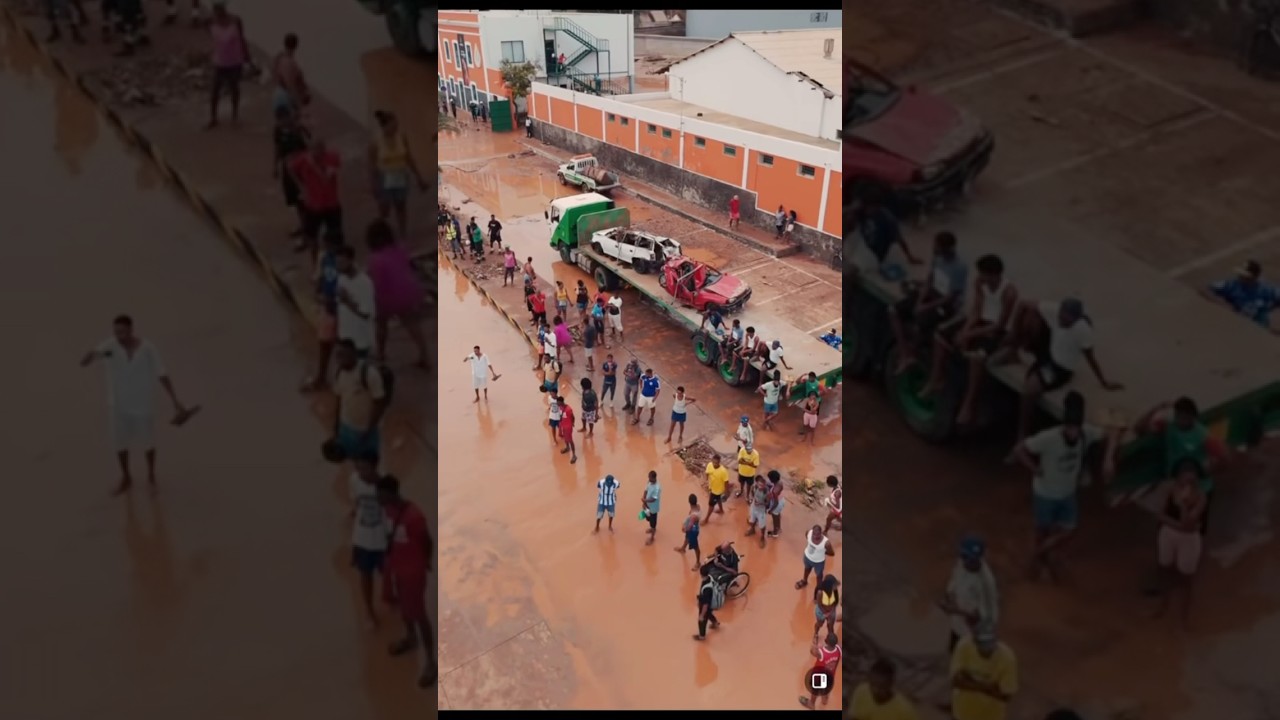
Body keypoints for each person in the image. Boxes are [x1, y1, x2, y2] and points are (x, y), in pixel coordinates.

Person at [80, 315, 193, 495]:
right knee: (120, 443)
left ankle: (151, 476)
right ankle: (126, 477)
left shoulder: (148, 349)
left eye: (122, 332)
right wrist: (90, 356)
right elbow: (93, 357)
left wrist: (174, 399)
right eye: (116, 332)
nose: (119, 336)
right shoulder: (111, 347)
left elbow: (161, 373)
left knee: (148, 442)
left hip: (142, 404)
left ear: (131, 330)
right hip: (117, 405)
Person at [996, 297, 1122, 452]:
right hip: (1049, 352)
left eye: (1067, 321)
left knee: (1029, 390)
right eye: (1061, 317)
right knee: (1032, 318)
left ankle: (1023, 434)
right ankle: (1014, 350)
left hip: (1060, 367)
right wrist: (1015, 333)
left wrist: (1103, 381)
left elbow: (1091, 358)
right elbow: (1023, 303)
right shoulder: (1054, 310)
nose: (1062, 322)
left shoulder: (1083, 331)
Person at [1016, 391, 1117, 581]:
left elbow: (1112, 432)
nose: (1074, 433)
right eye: (1070, 429)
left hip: (1068, 494)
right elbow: (1020, 449)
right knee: (1042, 531)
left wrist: (1108, 459)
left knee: (1069, 530)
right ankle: (1042, 563)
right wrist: (1034, 468)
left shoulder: (1086, 433)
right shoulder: (1048, 438)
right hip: (1045, 493)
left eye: (1076, 429)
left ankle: (1036, 555)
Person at [920, 253, 1019, 425]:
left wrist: (970, 335)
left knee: (977, 357)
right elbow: (976, 311)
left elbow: (999, 326)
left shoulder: (1009, 293)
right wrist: (966, 330)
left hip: (995, 329)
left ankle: (969, 403)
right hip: (981, 322)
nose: (981, 277)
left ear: (994, 274)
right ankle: (936, 378)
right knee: (940, 335)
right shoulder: (980, 283)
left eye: (984, 274)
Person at [1132, 396, 1229, 526]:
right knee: (1168, 528)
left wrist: (1205, 473)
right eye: (1178, 416)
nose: (1180, 420)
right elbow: (1139, 428)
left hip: (1198, 492)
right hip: (1175, 489)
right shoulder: (1169, 426)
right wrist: (1157, 408)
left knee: (1193, 530)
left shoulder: (1203, 436)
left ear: (1193, 417)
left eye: (1184, 417)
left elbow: (1225, 458)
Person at [377, 475, 436, 688]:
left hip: (413, 573)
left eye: (381, 495)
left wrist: (425, 563)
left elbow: (427, 541)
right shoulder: (388, 510)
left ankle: (430, 661)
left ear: (392, 493)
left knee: (419, 614)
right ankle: (411, 637)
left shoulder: (414, 517)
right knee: (403, 607)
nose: (378, 499)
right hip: (396, 569)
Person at [889, 231, 968, 374]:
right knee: (893, 310)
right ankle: (904, 352)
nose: (934, 248)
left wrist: (926, 307)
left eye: (937, 246)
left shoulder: (959, 268)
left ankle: (913, 353)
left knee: (922, 322)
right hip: (934, 294)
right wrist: (920, 301)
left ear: (947, 248)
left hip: (946, 303)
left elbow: (950, 297)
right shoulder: (937, 259)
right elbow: (929, 281)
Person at [365, 220, 428, 366]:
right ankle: (424, 354)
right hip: (407, 292)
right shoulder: (400, 249)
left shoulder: (374, 259)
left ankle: (380, 353)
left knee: (381, 325)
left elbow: (377, 282)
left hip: (386, 296)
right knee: (412, 324)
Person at [1153, 458, 1208, 625]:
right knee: (1164, 570)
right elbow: (1159, 515)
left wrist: (1183, 505)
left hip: (1189, 539)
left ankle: (1184, 618)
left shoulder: (1200, 496)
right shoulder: (1169, 489)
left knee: (1187, 580)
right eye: (1185, 475)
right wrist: (1178, 525)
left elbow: (1189, 523)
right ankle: (1163, 607)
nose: (1188, 480)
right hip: (1169, 534)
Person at [369, 111, 427, 239]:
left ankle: (402, 234)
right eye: (393, 125)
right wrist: (374, 184)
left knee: (401, 206)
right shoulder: (375, 142)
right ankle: (381, 234)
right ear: (385, 126)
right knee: (384, 210)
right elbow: (372, 166)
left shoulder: (402, 137)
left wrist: (419, 177)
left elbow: (408, 158)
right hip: (384, 178)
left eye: (396, 124)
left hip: (400, 176)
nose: (395, 127)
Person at [939, 536, 999, 652]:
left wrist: (955, 610)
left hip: (973, 636)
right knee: (953, 656)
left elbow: (984, 617)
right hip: (957, 627)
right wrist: (949, 599)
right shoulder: (961, 563)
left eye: (974, 559)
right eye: (966, 557)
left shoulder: (986, 583)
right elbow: (954, 584)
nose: (970, 562)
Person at [331, 340, 388, 460]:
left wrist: (369, 429)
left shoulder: (369, 373)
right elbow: (339, 399)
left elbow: (379, 402)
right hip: (345, 428)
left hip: (366, 431)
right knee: (349, 461)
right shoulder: (339, 373)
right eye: (337, 355)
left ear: (353, 354)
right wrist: (336, 426)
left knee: (367, 465)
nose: (339, 359)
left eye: (343, 354)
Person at [300, 232, 343, 391]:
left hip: (342, 308)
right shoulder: (324, 258)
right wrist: (318, 294)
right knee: (324, 343)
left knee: (343, 345)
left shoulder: (344, 263)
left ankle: (342, 380)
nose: (327, 247)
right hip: (328, 307)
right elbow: (319, 279)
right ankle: (322, 377)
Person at [289, 137, 343, 262]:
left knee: (336, 236)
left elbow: (326, 177)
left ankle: (335, 261)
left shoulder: (332, 158)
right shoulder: (303, 160)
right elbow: (291, 168)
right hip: (313, 206)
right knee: (312, 238)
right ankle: (315, 264)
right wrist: (301, 186)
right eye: (314, 149)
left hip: (331, 204)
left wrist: (314, 165)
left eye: (320, 149)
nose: (317, 153)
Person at [349, 455, 387, 628]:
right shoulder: (354, 480)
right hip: (363, 540)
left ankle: (390, 594)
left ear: (375, 466)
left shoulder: (385, 483)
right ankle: (369, 610)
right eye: (359, 468)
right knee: (365, 576)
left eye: (366, 469)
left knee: (388, 572)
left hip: (383, 539)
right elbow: (355, 504)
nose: (362, 473)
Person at [950, 628, 1018, 720]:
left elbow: (1006, 696)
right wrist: (988, 687)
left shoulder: (1008, 658)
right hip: (961, 714)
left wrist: (969, 681)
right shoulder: (964, 645)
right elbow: (956, 681)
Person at [205, 0, 249, 127]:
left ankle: (234, 116)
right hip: (219, 62)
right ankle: (213, 118)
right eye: (215, 9)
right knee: (215, 90)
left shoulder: (236, 20)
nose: (217, 11)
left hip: (235, 61)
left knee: (234, 89)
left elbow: (242, 39)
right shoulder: (209, 22)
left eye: (219, 8)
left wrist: (247, 57)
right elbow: (209, 34)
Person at [1203, 259, 1279, 329]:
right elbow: (1206, 290)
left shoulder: (1266, 290)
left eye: (1245, 276)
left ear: (1254, 277)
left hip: (1258, 328)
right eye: (1241, 275)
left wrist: (1268, 310)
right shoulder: (1232, 285)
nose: (1241, 277)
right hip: (1234, 325)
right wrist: (1223, 306)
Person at [271, 106, 310, 238]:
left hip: (299, 169)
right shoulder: (278, 131)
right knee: (294, 200)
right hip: (287, 169)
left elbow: (306, 148)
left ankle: (308, 229)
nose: (282, 122)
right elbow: (277, 148)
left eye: (284, 119)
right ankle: (302, 225)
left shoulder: (296, 130)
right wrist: (275, 166)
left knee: (303, 199)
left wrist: (301, 128)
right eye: (279, 120)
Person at [335, 246, 376, 358]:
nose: (338, 266)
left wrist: (347, 300)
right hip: (345, 338)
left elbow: (365, 314)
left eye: (341, 262)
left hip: (361, 340)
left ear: (351, 261)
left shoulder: (365, 283)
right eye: (337, 262)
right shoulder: (341, 279)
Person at [848, 658, 919, 719]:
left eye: (882, 686)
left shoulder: (905, 711)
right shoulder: (861, 691)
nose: (876, 690)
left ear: (891, 684)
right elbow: (855, 717)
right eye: (873, 684)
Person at [800, 632, 843, 710]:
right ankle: (824, 700)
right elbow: (839, 644)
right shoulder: (839, 650)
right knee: (827, 687)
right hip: (830, 675)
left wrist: (815, 645)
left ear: (826, 641)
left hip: (819, 676)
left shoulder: (821, 652)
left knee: (815, 689)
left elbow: (811, 651)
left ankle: (812, 704)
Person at [270, 33, 310, 116]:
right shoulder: (291, 63)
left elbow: (274, 76)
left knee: (282, 124)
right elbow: (290, 86)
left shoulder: (278, 58)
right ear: (296, 46)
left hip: (277, 96)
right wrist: (298, 104)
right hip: (287, 100)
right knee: (293, 123)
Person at [796, 524, 834, 590]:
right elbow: (807, 537)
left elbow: (832, 553)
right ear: (812, 532)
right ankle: (804, 581)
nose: (815, 536)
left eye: (818, 534)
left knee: (819, 576)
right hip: (807, 557)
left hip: (818, 562)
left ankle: (819, 589)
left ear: (821, 533)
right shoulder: (808, 533)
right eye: (814, 534)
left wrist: (822, 551)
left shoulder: (826, 543)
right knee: (807, 569)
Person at [693, 561, 721, 641]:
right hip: (711, 602)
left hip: (706, 604)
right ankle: (715, 623)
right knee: (709, 613)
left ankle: (702, 636)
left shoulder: (706, 589)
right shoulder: (710, 578)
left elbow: (705, 605)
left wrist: (701, 615)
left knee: (702, 620)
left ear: (701, 574)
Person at [674, 494, 702, 570]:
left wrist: (684, 529)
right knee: (686, 538)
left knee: (696, 547)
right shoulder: (698, 506)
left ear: (689, 502)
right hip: (694, 528)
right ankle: (683, 548)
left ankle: (698, 562)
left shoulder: (693, 516)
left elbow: (689, 527)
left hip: (693, 531)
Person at [745, 466, 769, 548]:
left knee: (762, 526)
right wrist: (752, 499)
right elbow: (752, 493)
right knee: (752, 520)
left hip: (761, 510)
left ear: (764, 485)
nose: (760, 487)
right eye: (759, 485)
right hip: (753, 507)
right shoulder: (754, 487)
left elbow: (768, 504)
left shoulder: (766, 492)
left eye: (762, 485)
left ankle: (762, 537)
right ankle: (752, 530)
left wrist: (761, 504)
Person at [703, 454, 729, 524]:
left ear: (719, 462)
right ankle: (721, 510)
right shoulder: (709, 465)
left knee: (711, 504)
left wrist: (726, 493)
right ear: (712, 461)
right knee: (718, 499)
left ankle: (706, 519)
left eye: (716, 463)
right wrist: (706, 481)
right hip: (712, 488)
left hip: (717, 491)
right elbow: (707, 473)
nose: (715, 464)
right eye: (713, 462)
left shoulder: (723, 471)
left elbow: (726, 482)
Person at [641, 470, 662, 545]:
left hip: (653, 508)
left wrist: (645, 500)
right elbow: (645, 490)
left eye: (649, 478)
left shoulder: (657, 488)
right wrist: (644, 502)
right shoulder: (649, 482)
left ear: (654, 478)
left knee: (653, 523)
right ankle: (652, 528)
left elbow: (654, 499)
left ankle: (652, 538)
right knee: (648, 518)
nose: (648, 479)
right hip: (647, 505)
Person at [765, 469, 786, 537]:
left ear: (772, 479)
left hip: (777, 504)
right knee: (777, 516)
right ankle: (778, 528)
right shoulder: (780, 482)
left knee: (774, 518)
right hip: (782, 500)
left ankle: (775, 533)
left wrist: (771, 510)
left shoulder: (774, 491)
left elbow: (775, 503)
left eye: (769, 478)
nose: (769, 479)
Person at [557, 396, 577, 464]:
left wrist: (572, 423)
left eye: (558, 402)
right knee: (565, 438)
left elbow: (573, 417)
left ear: (561, 402)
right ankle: (567, 448)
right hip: (562, 426)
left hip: (568, 427)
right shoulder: (560, 407)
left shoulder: (568, 409)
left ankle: (574, 455)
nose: (557, 403)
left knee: (570, 440)